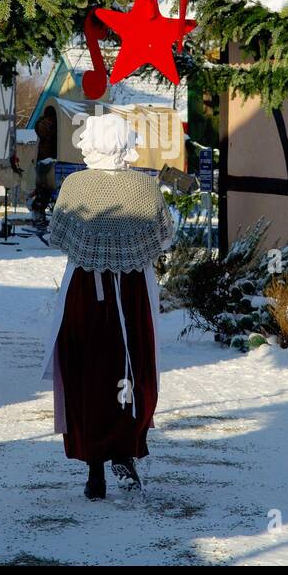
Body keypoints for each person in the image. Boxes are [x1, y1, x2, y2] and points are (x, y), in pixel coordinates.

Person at [40, 114, 174, 500]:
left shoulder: (75, 185)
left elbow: (60, 236)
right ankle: (126, 448)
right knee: (132, 370)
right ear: (124, 143)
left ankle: (95, 468)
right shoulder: (144, 187)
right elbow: (164, 236)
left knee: (89, 372)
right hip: (131, 293)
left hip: (85, 291)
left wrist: (97, 246)